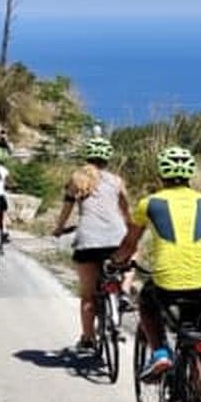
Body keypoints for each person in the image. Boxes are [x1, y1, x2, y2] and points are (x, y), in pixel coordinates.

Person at [111, 147, 201, 381]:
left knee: (146, 303)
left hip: (166, 281)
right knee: (196, 336)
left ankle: (160, 354)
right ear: (190, 173)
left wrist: (116, 262)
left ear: (161, 174)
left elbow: (130, 244)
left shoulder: (149, 203)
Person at [52, 138, 130, 353]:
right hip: (116, 237)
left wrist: (59, 228)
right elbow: (125, 210)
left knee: (88, 296)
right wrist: (128, 227)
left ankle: (88, 339)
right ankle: (124, 290)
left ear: (87, 156)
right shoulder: (117, 181)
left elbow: (67, 209)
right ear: (107, 159)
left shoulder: (77, 178)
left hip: (88, 240)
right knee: (132, 257)